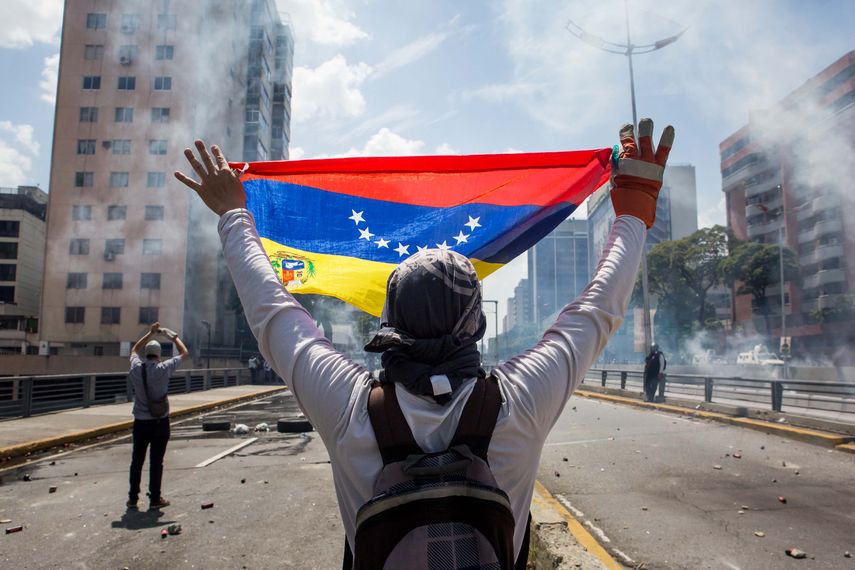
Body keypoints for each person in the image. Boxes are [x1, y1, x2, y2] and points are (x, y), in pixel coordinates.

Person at [175, 118, 674, 567]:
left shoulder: (350, 408)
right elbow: (597, 312)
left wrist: (233, 213)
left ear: (390, 319)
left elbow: (271, 312)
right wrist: (632, 212)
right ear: (476, 326)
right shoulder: (518, 402)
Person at [127, 322, 189, 510]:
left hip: (140, 423)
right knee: (156, 462)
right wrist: (172, 336)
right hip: (160, 422)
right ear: (159, 355)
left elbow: (134, 350)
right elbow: (184, 352)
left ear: (146, 354)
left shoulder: (137, 368)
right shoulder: (164, 368)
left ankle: (133, 499)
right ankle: (155, 499)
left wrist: (150, 333)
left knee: (136, 461)